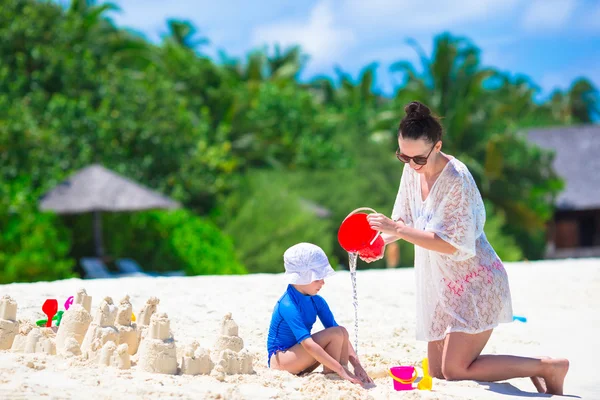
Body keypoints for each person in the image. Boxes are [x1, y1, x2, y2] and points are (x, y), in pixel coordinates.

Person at [363, 101, 569, 395]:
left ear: (437, 146)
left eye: (416, 159)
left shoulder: (457, 180)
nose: (410, 165)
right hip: (440, 285)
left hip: (476, 283)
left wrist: (396, 230)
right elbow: (405, 219)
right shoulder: (413, 168)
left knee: (455, 370)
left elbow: (451, 245)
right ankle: (537, 370)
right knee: (437, 372)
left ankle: (547, 366)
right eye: (402, 156)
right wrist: (380, 242)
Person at [267, 242, 373, 386]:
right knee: (335, 333)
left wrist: (357, 365)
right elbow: (308, 344)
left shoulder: (317, 301)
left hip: (301, 358)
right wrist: (340, 369)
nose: (323, 282)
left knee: (341, 331)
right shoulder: (287, 304)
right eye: (317, 278)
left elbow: (339, 333)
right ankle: (336, 372)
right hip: (281, 361)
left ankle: (337, 374)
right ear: (300, 278)